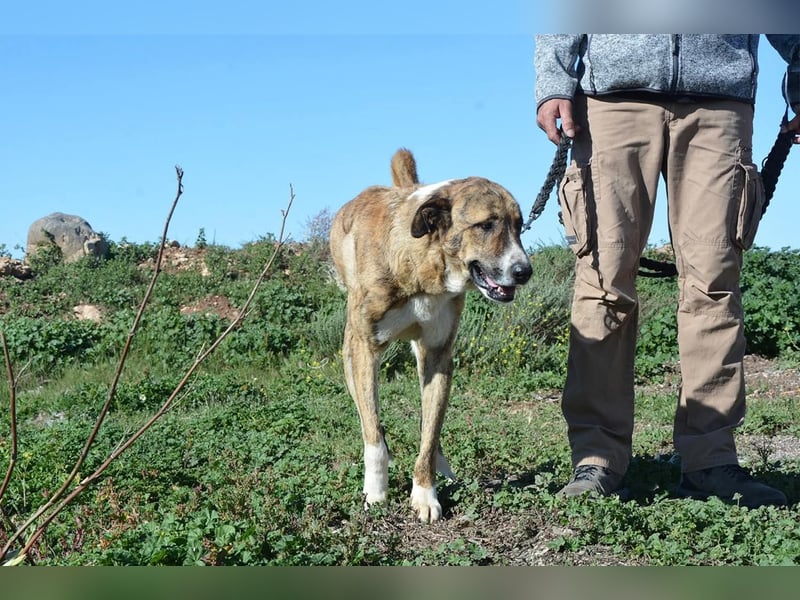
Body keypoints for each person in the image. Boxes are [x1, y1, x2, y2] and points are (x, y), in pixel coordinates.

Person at [534, 34, 800, 508]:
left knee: (714, 287)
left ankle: (710, 461)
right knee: (602, 283)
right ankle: (596, 458)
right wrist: (555, 80)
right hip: (611, 101)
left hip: (720, 103)